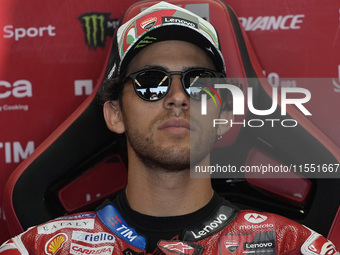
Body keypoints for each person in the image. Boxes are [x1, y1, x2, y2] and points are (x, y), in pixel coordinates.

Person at [0, 1, 338, 255]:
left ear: (223, 116)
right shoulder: (41, 247)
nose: (178, 97)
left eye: (199, 83)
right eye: (150, 81)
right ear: (115, 114)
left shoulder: (293, 247)